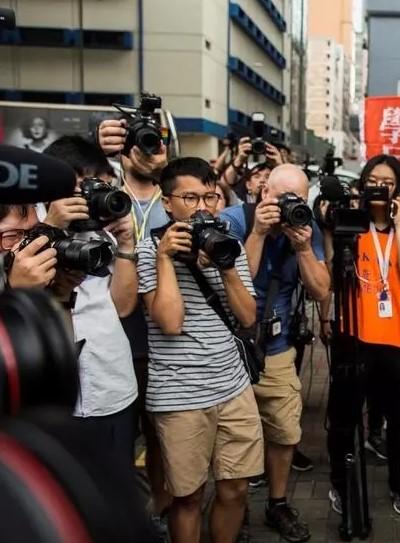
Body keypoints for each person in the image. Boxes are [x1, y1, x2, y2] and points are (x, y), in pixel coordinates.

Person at [136, 157, 261, 543]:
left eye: (210, 196)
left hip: (233, 387)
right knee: (188, 497)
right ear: (167, 201)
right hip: (180, 394)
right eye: (190, 197)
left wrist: (224, 263)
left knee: (235, 488)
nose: (202, 207)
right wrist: (165, 259)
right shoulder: (148, 250)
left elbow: (247, 315)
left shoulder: (230, 244)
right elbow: (170, 323)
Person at [220, 164, 330, 542]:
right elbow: (237, 281)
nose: (288, 206)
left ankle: (278, 502)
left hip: (279, 347)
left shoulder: (305, 226)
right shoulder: (234, 219)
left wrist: (301, 247)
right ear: (263, 190)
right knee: (235, 437)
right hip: (233, 346)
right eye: (281, 198)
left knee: (284, 431)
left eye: (296, 200)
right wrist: (259, 233)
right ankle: (235, 509)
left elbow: (320, 291)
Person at [324, 154, 400, 517]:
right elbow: (332, 270)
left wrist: (398, 224)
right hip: (354, 334)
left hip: (398, 338)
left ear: (399, 187)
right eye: (373, 181)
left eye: (388, 181)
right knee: (344, 416)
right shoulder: (349, 222)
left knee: (399, 420)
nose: (380, 187)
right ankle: (340, 482)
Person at [40, 136, 140, 468]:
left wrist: (126, 243)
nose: (92, 195)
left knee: (114, 494)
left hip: (113, 384)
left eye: (100, 184)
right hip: (55, 399)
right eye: (83, 186)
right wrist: (51, 228)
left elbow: (123, 307)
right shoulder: (25, 229)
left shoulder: (104, 233)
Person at [98, 117, 173, 532]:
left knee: (162, 437)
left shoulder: (177, 197)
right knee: (119, 439)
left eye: (157, 142)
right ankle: (119, 514)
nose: (150, 150)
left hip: (164, 341)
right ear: (123, 150)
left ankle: (160, 512)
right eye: (141, 143)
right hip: (116, 339)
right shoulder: (106, 197)